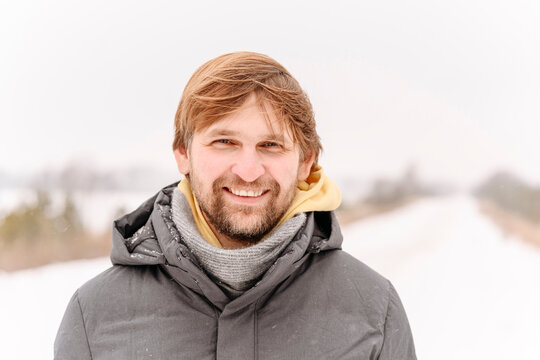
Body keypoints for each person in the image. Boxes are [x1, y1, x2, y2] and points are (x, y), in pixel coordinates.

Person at [54, 52, 416, 359]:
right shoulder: (96, 315)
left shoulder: (372, 309)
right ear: (183, 153)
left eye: (271, 145)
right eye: (225, 141)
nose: (247, 171)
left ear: (305, 161)